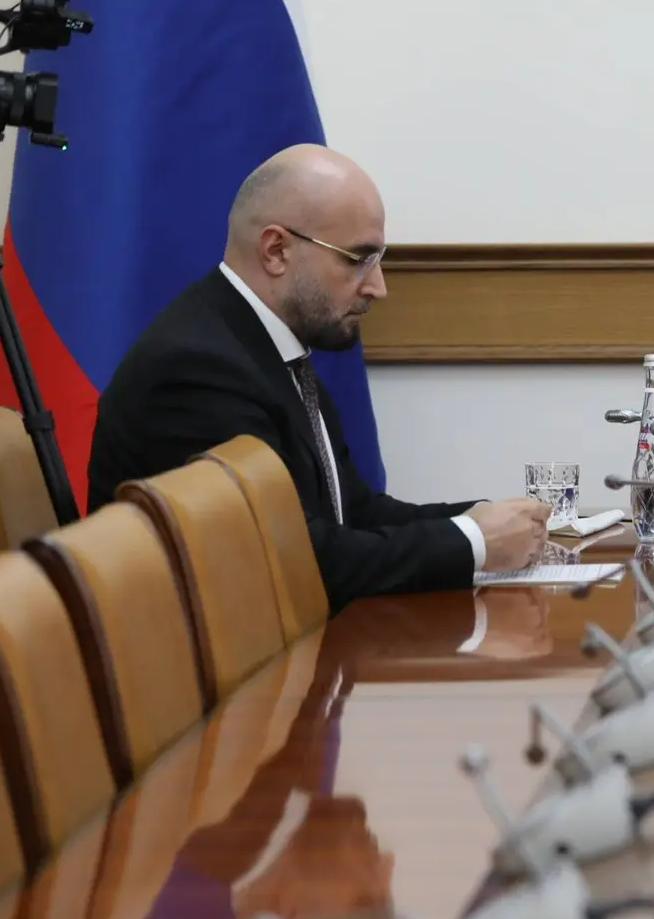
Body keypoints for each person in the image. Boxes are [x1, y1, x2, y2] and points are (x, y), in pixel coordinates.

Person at [89, 145, 549, 609]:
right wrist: (472, 542)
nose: (378, 287)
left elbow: (352, 511)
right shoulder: (196, 368)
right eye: (357, 259)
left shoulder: (267, 348)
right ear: (276, 251)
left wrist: (479, 519)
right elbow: (289, 563)